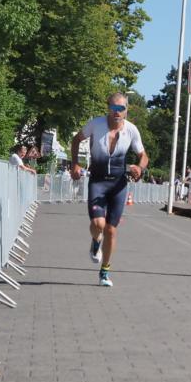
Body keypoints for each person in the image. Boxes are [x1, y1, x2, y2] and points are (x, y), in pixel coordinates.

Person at [70, 93, 148, 287]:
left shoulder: (132, 130)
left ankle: (104, 272)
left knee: (111, 230)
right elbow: (75, 140)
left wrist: (140, 167)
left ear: (126, 110)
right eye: (113, 108)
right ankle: (96, 241)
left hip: (118, 184)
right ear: (108, 108)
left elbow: (143, 155)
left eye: (120, 109)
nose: (116, 112)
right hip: (98, 181)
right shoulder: (95, 124)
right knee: (98, 224)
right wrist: (75, 164)